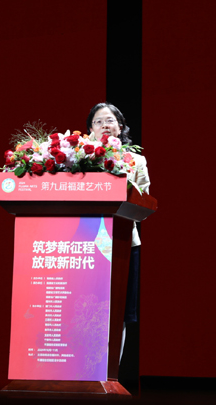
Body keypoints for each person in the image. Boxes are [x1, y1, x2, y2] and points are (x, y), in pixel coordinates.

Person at [86, 102, 150, 362]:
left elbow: (144, 199)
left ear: (120, 127)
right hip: (84, 242)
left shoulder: (137, 160)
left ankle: (110, 371)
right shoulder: (78, 158)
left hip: (122, 241)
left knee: (118, 310)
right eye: (98, 122)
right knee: (84, 305)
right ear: (90, 130)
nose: (104, 125)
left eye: (110, 121)